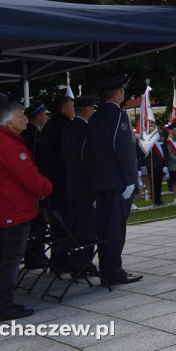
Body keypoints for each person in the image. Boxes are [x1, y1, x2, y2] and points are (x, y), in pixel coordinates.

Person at [0, 99, 53, 321]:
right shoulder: (8, 145)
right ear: (9, 121)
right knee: (10, 261)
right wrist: (46, 187)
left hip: (7, 209)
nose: (25, 118)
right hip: (15, 210)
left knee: (5, 259)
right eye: (21, 114)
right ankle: (3, 305)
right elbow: (28, 176)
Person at [88, 74, 143, 285]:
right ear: (118, 93)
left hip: (100, 182)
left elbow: (89, 154)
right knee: (115, 228)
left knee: (103, 228)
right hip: (118, 183)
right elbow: (124, 151)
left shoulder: (95, 117)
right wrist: (130, 180)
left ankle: (107, 269)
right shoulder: (119, 117)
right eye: (122, 90)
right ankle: (113, 271)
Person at [61, 94, 99, 271]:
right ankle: (83, 263)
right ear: (86, 110)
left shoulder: (69, 129)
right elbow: (88, 160)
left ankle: (78, 261)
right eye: (93, 108)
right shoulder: (84, 130)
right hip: (85, 187)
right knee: (86, 229)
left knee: (77, 228)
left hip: (72, 186)